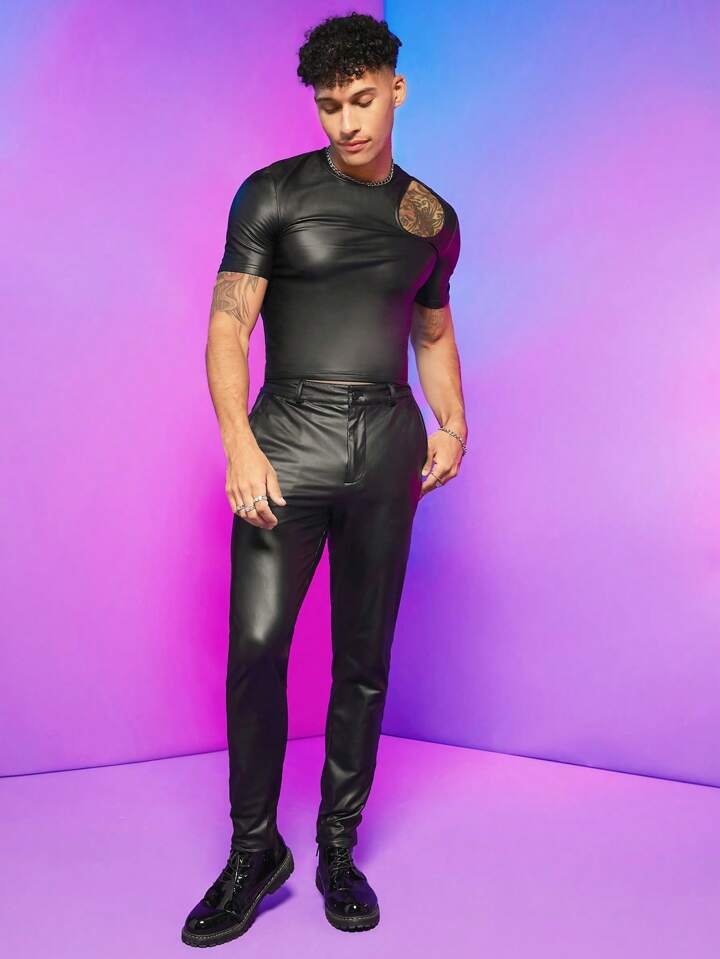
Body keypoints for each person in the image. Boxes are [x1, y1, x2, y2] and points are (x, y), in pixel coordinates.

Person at [181, 11, 467, 947]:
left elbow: (432, 331)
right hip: (288, 437)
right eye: (328, 105)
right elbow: (229, 325)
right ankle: (253, 851)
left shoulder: (431, 217)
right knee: (257, 646)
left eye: (360, 100)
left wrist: (454, 420)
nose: (345, 121)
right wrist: (239, 443)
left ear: (396, 90)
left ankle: (337, 848)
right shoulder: (271, 193)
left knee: (363, 657)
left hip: (387, 442)